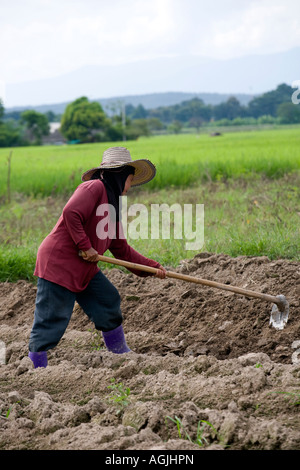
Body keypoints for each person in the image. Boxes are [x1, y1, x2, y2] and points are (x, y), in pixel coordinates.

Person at [28, 147, 166, 368]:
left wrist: (151, 267)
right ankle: (35, 366)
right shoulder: (94, 187)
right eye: (130, 181)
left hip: (84, 265)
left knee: (107, 300)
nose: (129, 188)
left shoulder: (113, 206)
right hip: (59, 262)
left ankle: (120, 354)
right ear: (119, 176)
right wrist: (86, 246)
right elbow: (71, 212)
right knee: (52, 318)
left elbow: (121, 249)